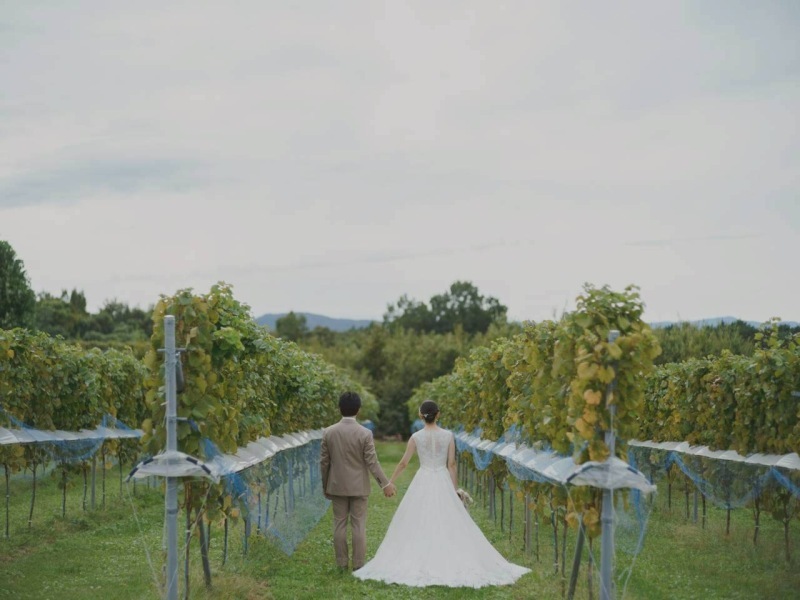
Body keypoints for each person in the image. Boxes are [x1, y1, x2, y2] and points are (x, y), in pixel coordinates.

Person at [354, 400, 531, 588]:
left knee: (417, 517)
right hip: (442, 479)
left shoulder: (415, 436)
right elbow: (452, 464)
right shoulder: (448, 436)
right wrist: (454, 490)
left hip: (423, 478)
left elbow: (404, 463)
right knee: (449, 517)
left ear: (421, 415)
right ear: (438, 414)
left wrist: (391, 481)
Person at [320, 391, 397, 571]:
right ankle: (359, 564)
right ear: (359, 410)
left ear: (339, 408)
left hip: (337, 485)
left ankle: (341, 563)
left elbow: (324, 462)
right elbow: (372, 462)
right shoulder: (365, 433)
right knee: (359, 524)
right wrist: (385, 484)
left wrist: (326, 485)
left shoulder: (328, 432)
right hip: (359, 487)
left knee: (339, 523)